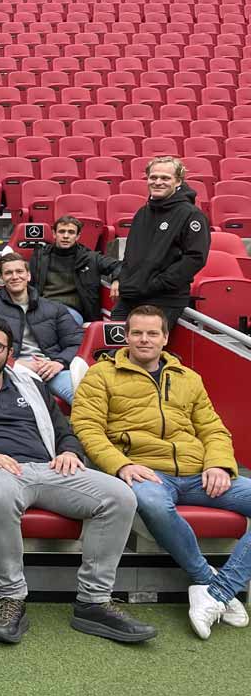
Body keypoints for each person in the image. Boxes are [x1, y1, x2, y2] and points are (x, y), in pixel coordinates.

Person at [0, 316, 156, 645]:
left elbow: (64, 428)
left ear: (10, 353)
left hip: (48, 467)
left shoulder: (31, 385)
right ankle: (11, 598)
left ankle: (93, 602)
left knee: (120, 496)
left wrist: (69, 451)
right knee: (0, 495)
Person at [71, 304, 250, 640]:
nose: (144, 339)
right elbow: (87, 427)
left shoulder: (188, 378)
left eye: (152, 333)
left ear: (165, 338)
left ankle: (217, 591)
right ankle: (209, 580)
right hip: (145, 471)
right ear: (126, 336)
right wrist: (121, 465)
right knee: (153, 503)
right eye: (137, 332)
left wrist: (218, 464)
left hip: (197, 472)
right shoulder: (101, 375)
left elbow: (213, 428)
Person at [0, 253, 82, 405]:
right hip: (7, 370)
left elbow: (77, 342)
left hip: (51, 369)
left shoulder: (54, 308)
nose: (15, 276)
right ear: (1, 278)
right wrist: (13, 363)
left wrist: (58, 363)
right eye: (8, 273)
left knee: (83, 399)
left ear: (28, 276)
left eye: (19, 271)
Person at [112, 156, 209, 331]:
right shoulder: (142, 213)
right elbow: (131, 255)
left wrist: (156, 284)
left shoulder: (191, 214)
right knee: (113, 348)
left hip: (164, 299)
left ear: (178, 181)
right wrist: (121, 278)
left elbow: (195, 258)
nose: (158, 182)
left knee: (142, 351)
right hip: (130, 296)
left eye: (165, 178)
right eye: (153, 177)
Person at [29, 215, 121, 324]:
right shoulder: (40, 256)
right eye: (62, 231)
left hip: (72, 311)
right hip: (44, 307)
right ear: (54, 234)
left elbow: (121, 266)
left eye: (71, 232)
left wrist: (117, 279)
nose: (66, 236)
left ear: (78, 236)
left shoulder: (90, 258)